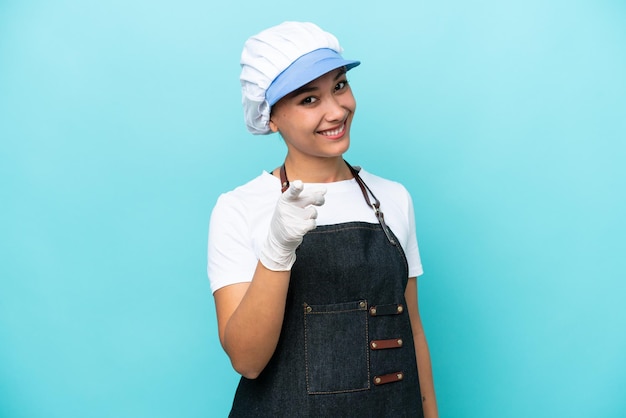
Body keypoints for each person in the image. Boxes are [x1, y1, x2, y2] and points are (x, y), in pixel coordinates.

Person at [207, 21, 438, 417]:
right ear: (271, 117)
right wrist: (277, 250)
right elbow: (248, 361)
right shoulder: (240, 207)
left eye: (339, 85)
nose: (336, 110)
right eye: (309, 100)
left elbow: (412, 331)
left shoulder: (393, 198)